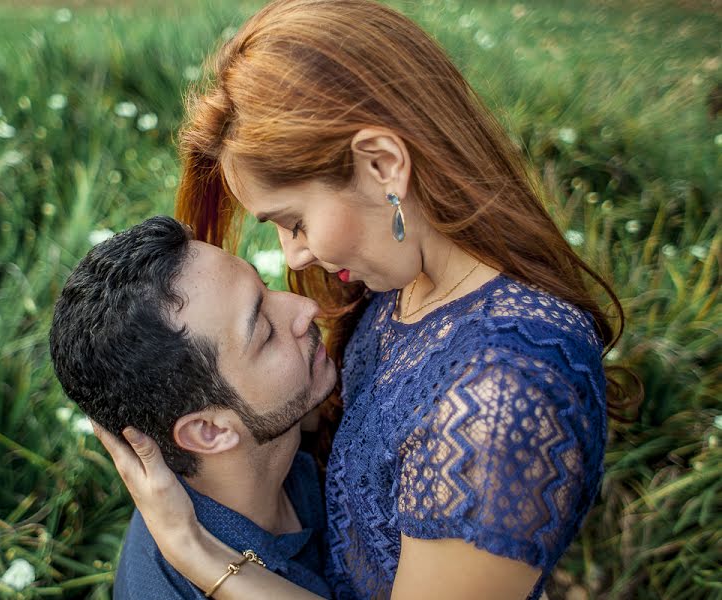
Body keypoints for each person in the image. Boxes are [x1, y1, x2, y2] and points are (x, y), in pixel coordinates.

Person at [92, 1, 640, 599]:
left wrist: (194, 553)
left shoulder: (498, 399)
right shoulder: (403, 283)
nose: (294, 257)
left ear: (383, 164)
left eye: (294, 221)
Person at [49, 216, 335, 599]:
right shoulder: (166, 591)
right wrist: (195, 553)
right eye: (265, 333)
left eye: (265, 288)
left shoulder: (287, 431)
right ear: (209, 431)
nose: (306, 308)